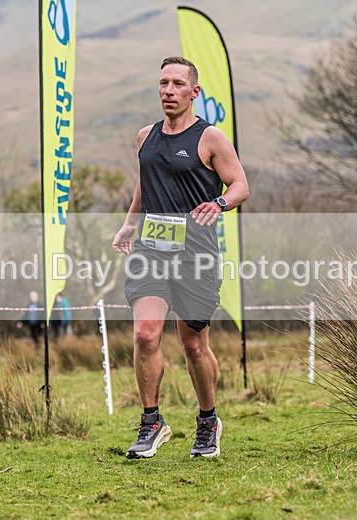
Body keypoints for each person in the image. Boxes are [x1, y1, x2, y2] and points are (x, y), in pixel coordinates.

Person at [112, 56, 249, 459]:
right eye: (163, 83)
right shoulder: (145, 137)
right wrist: (128, 224)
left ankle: (208, 421)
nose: (168, 90)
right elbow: (145, 182)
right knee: (145, 335)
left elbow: (240, 184)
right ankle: (151, 422)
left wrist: (220, 203)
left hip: (196, 255)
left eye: (176, 84)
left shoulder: (210, 139)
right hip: (151, 250)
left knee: (192, 345)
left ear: (194, 92)